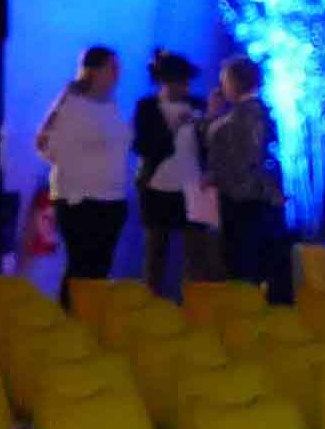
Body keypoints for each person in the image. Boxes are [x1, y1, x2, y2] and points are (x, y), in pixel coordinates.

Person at [30, 46, 132, 292]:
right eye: (111, 67)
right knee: (82, 267)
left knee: (99, 268)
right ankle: (72, 312)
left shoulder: (111, 105)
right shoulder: (72, 105)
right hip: (80, 200)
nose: (117, 74)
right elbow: (47, 145)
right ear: (93, 71)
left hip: (112, 199)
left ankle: (89, 312)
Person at [201, 58, 288, 297]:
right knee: (268, 266)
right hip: (268, 201)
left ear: (233, 82)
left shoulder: (236, 119)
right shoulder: (268, 114)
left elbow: (233, 157)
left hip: (241, 202)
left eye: (224, 81)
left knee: (241, 268)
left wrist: (211, 117)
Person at [129, 53, 206, 297]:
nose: (185, 87)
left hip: (194, 188)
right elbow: (142, 146)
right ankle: (152, 306)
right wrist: (173, 127)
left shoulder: (198, 105)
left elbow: (208, 146)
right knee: (155, 254)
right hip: (157, 187)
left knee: (196, 256)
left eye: (186, 81)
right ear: (165, 82)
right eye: (179, 81)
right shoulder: (147, 107)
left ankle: (193, 306)